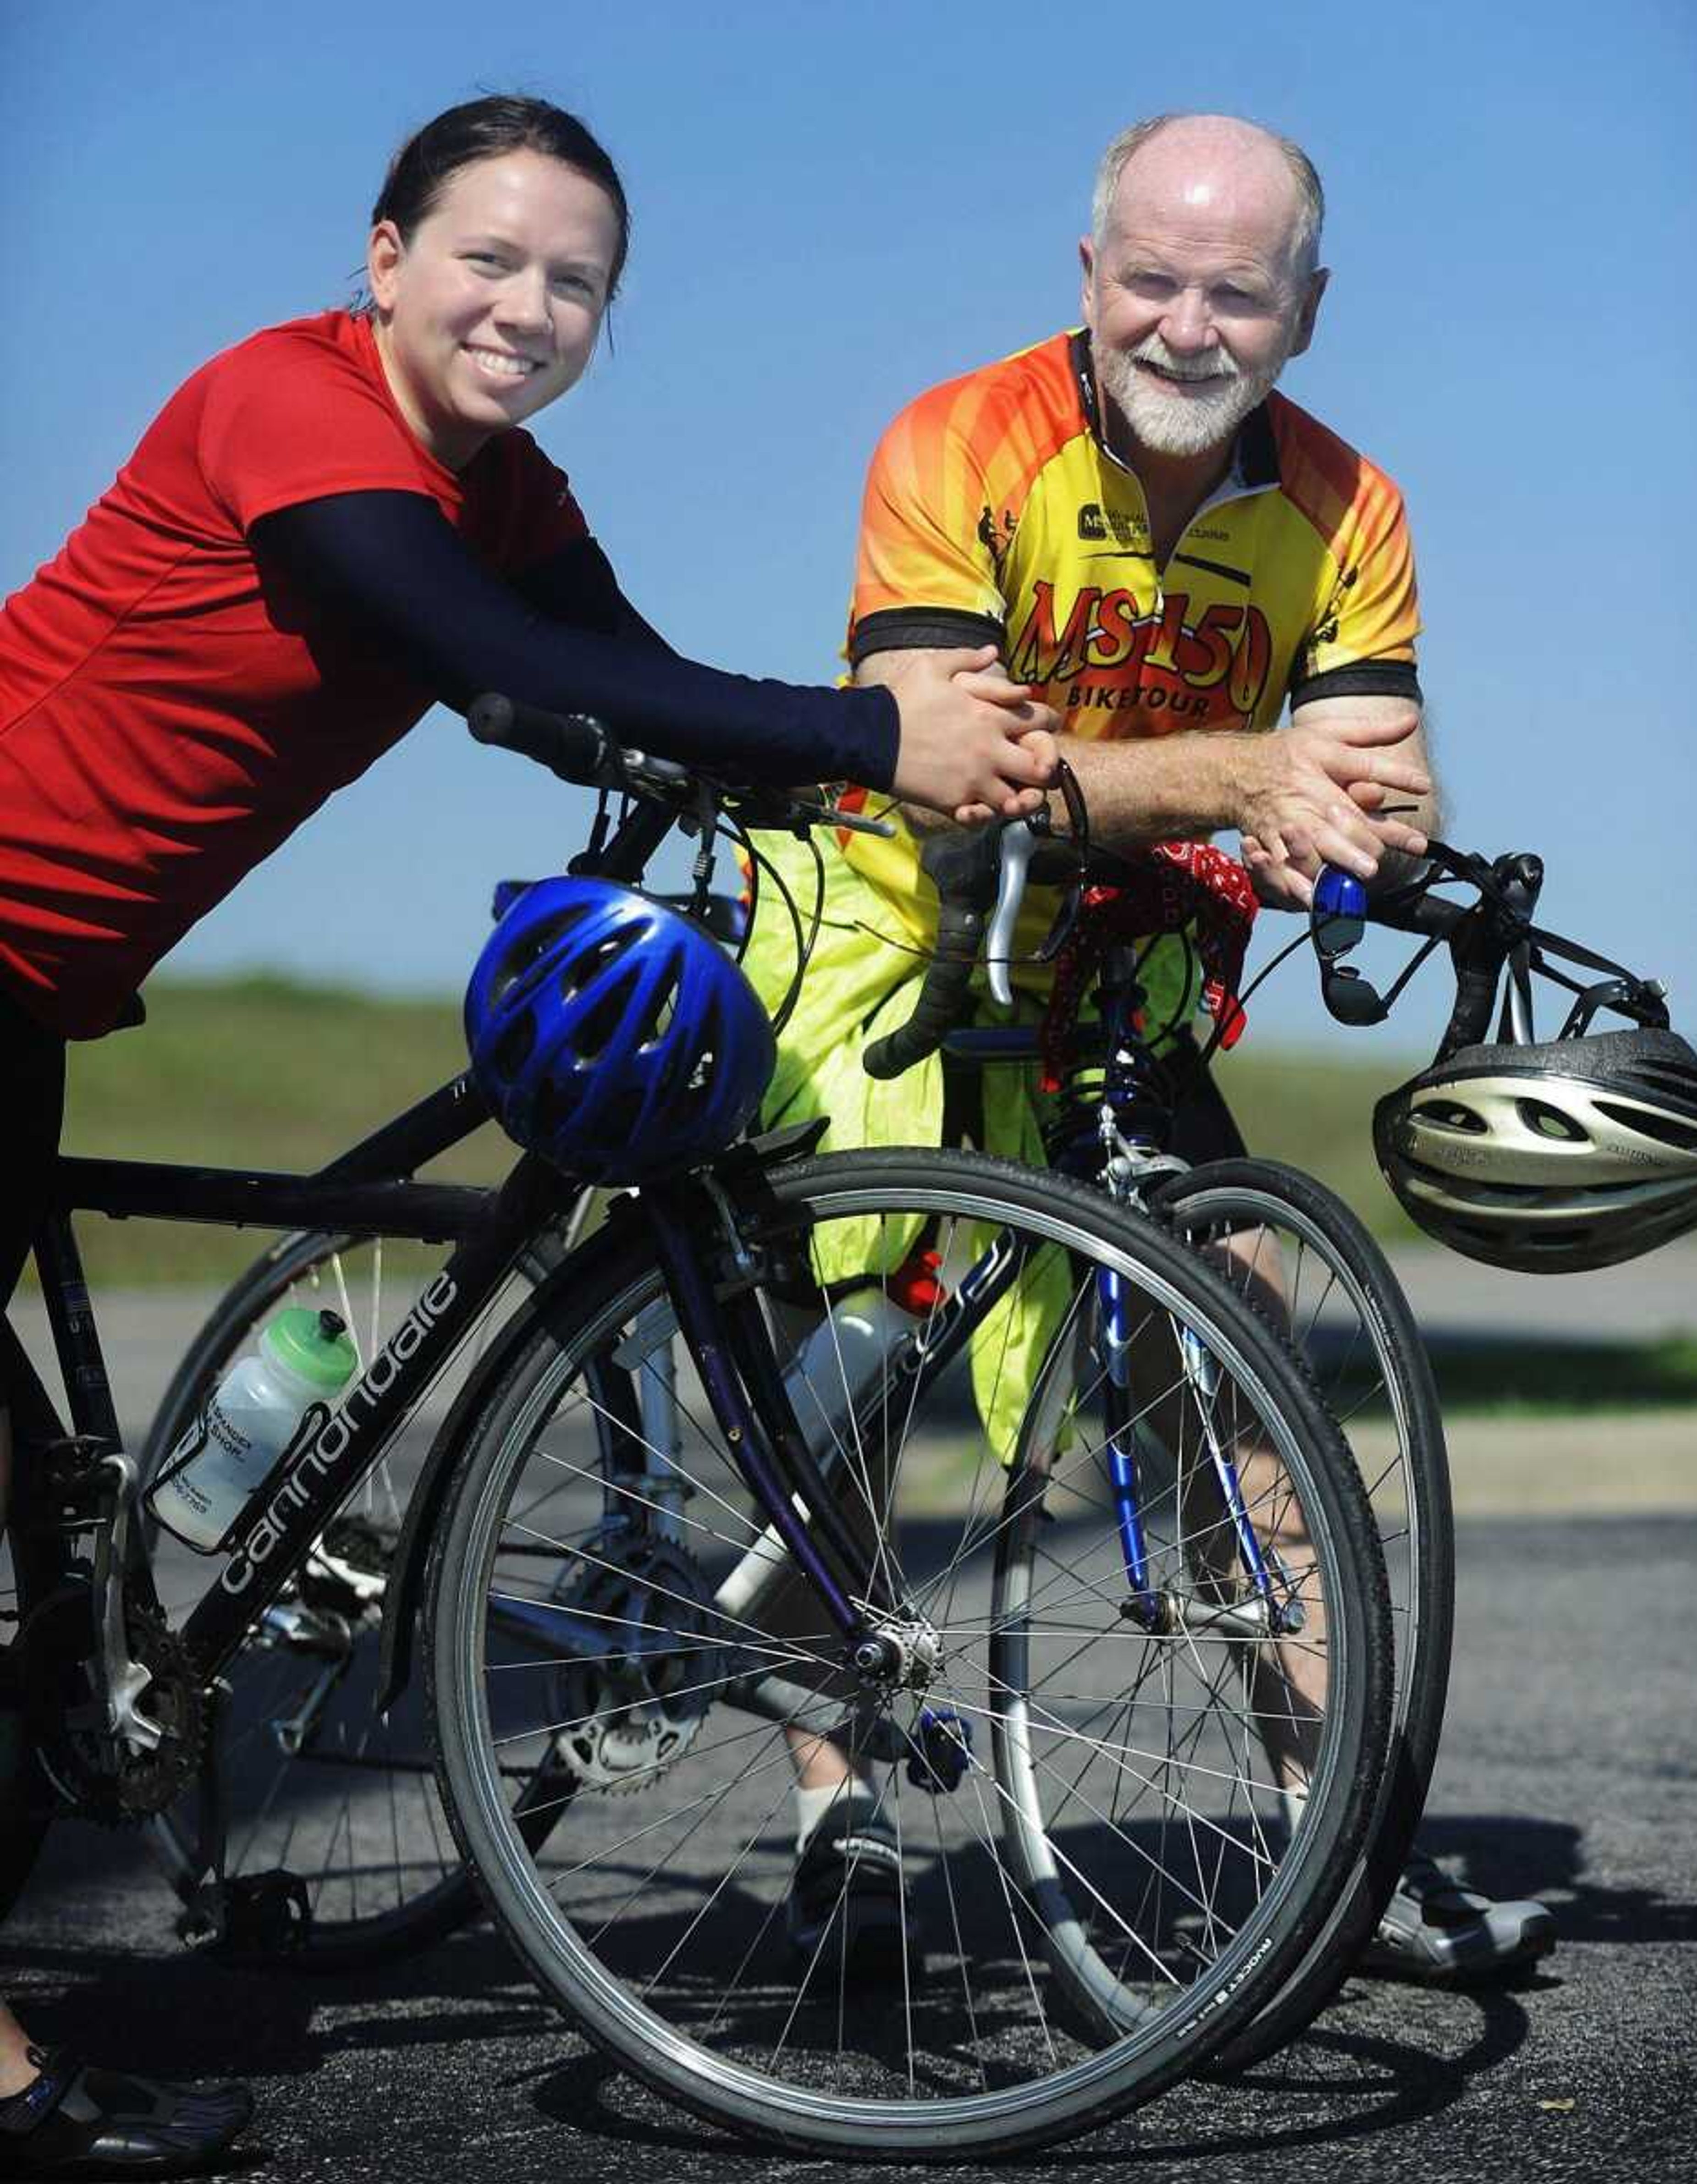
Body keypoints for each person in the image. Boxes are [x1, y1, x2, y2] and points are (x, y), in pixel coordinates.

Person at [0, 94, 1058, 2176]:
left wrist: (864, 794)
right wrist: (869, 732)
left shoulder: (501, 483)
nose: (531, 304)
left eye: (577, 281)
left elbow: (606, 673)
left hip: (28, 982)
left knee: (42, 1540)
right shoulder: (284, 410)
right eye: (489, 257)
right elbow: (480, 658)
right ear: (382, 254)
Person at [744, 111, 1556, 1987]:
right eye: (1155, 281)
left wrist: (1351, 825)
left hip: (1127, 971)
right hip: (906, 945)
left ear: (1306, 312)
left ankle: (1330, 1848)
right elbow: (954, 785)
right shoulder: (958, 443)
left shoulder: (1352, 506)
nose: (1190, 328)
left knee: (1253, 1385)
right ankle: (836, 1811)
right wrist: (1237, 778)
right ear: (1091, 276)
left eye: (1239, 294)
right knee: (846, 1399)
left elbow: (1375, 776)